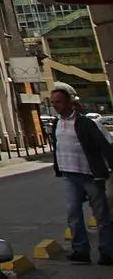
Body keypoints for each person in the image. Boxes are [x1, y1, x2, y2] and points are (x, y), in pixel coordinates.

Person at [50, 84, 113, 264]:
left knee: (101, 216)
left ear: (69, 102)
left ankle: (107, 252)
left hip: (91, 176)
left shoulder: (86, 123)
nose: (56, 106)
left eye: (59, 102)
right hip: (69, 175)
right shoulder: (57, 123)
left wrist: (107, 169)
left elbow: (104, 145)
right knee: (73, 214)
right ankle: (81, 250)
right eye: (53, 102)